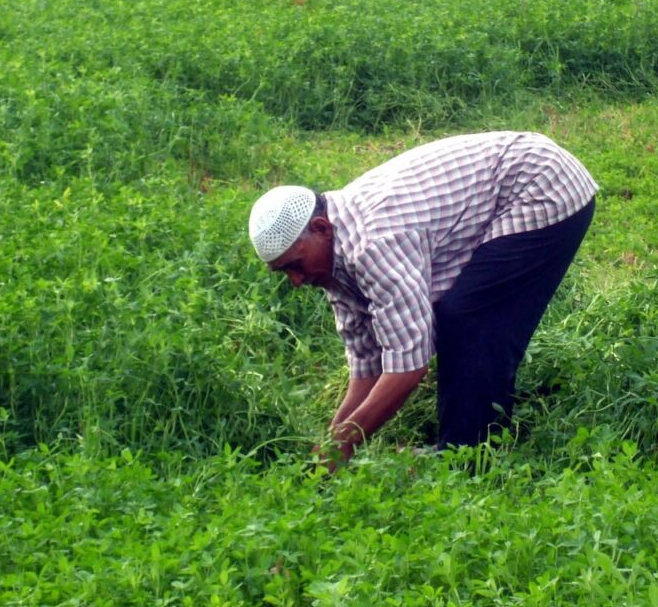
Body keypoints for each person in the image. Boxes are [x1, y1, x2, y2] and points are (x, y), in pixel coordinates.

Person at [248, 131, 598, 468]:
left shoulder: (373, 244)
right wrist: (330, 442)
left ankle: (470, 460)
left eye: (295, 265)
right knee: (464, 316)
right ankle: (467, 446)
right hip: (507, 186)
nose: (296, 281)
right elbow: (368, 364)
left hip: (542, 183)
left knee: (469, 319)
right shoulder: (333, 266)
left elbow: (408, 367)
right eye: (284, 273)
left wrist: (343, 446)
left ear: (322, 228)